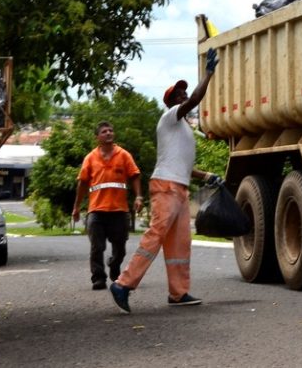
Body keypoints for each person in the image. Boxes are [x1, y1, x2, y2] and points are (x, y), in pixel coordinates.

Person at [110, 48, 222, 313]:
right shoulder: (170, 117)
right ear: (171, 101)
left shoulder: (183, 129)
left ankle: (178, 292)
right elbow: (195, 98)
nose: (183, 95)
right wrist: (208, 74)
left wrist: (206, 175)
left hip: (178, 188)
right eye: (178, 94)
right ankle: (123, 284)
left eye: (183, 92)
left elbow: (182, 164)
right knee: (155, 236)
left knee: (180, 245)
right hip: (165, 187)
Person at [72, 122, 143, 290]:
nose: (109, 133)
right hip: (96, 210)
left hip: (119, 211)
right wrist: (76, 207)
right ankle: (98, 278)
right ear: (97, 137)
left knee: (120, 248)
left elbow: (134, 176)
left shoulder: (123, 155)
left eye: (111, 130)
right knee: (97, 247)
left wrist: (139, 196)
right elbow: (82, 183)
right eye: (104, 131)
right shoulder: (90, 158)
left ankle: (114, 264)